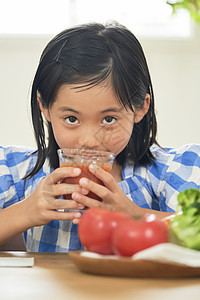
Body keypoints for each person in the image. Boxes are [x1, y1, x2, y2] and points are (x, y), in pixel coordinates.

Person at [0, 22, 200, 252]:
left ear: (139, 109)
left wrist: (135, 214)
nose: (89, 140)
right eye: (72, 119)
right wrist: (24, 212)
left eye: (108, 119)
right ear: (44, 106)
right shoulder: (15, 173)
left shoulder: (172, 171)